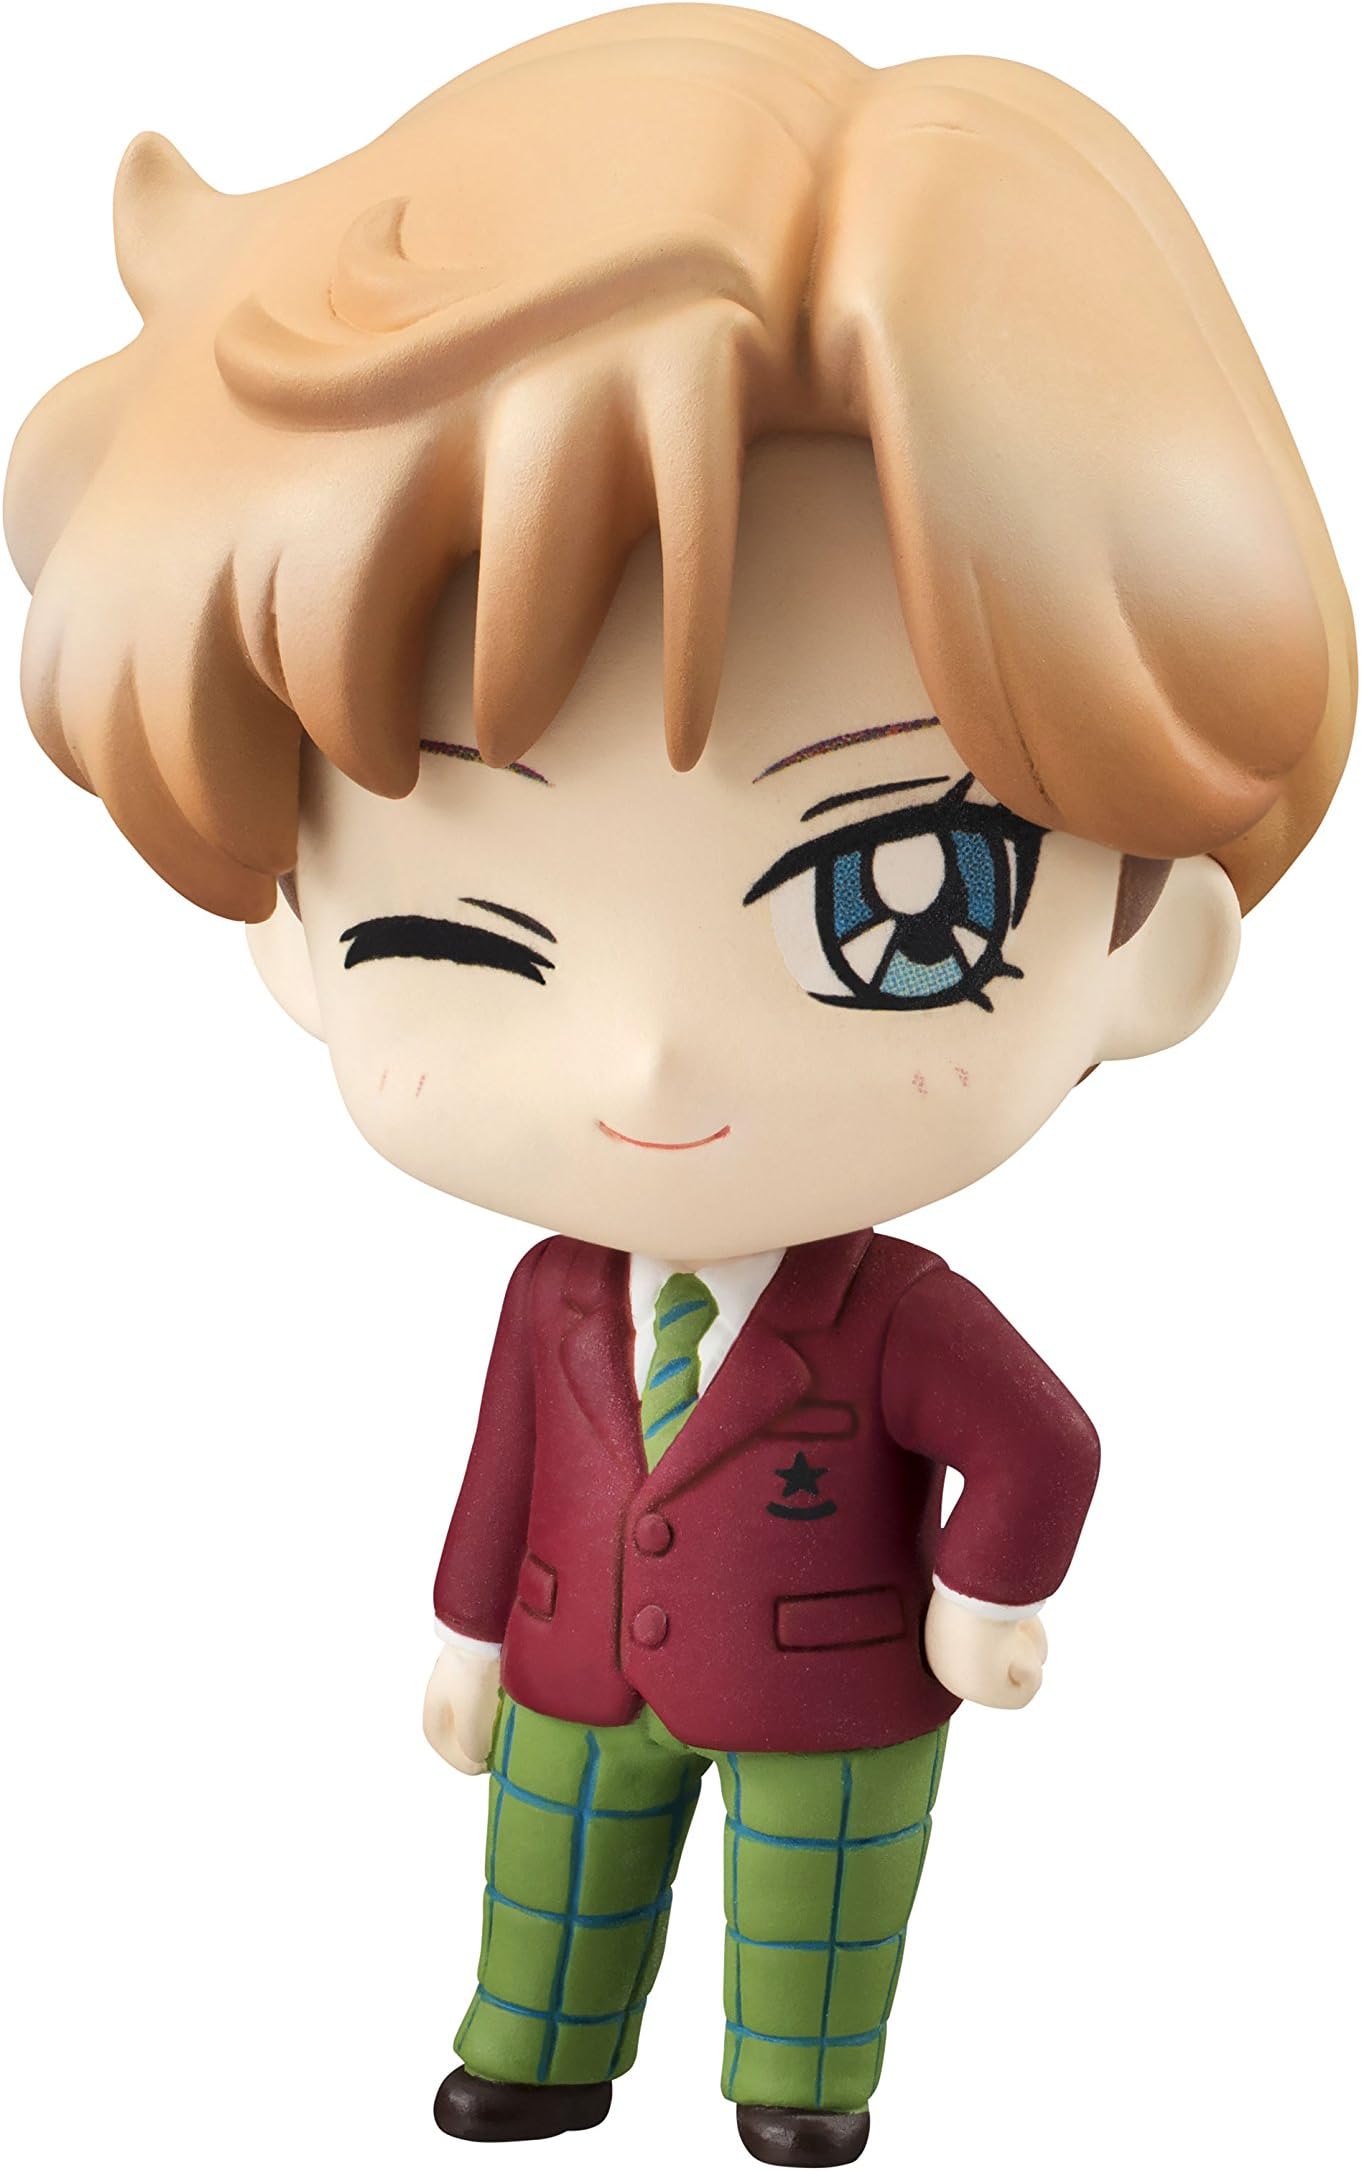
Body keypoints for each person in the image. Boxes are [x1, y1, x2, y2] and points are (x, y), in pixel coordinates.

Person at [6, 10, 1351, 2165]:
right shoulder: (555, 1299)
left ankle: (800, 2086)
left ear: (1151, 949)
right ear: (294, 936)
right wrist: (466, 1627)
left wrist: (988, 1592)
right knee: (545, 1883)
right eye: (452, 926)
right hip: (569, 1673)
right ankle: (534, 2046)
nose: (649, 1053)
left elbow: (1038, 1439)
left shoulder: (893, 1317)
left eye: (898, 902)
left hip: (836, 1684)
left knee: (818, 1915)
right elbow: (498, 1469)